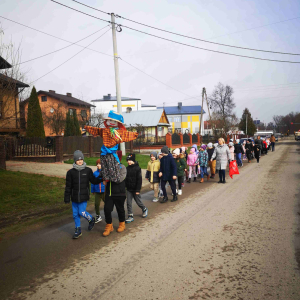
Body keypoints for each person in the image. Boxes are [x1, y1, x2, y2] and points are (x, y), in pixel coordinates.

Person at [84, 111, 138, 183]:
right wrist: (87, 128)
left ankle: (114, 178)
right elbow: (96, 130)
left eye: (114, 121)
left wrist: (134, 134)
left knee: (112, 165)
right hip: (104, 152)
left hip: (111, 153)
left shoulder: (118, 132)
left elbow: (126, 135)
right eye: (110, 120)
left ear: (118, 123)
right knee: (104, 165)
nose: (112, 122)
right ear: (107, 121)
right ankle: (105, 177)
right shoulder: (104, 130)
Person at [64, 150, 103, 239]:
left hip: (84, 195)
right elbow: (68, 186)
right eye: (78, 160)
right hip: (74, 197)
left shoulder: (88, 170)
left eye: (81, 159)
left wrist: (101, 178)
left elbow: (93, 180)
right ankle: (78, 229)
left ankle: (91, 219)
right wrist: (67, 197)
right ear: (75, 160)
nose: (80, 161)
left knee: (81, 212)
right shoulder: (70, 173)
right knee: (75, 214)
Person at [102, 164, 127, 237]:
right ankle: (109, 225)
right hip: (109, 193)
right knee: (107, 209)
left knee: (120, 209)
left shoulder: (122, 167)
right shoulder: (108, 166)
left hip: (120, 192)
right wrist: (104, 178)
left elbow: (119, 179)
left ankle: (122, 224)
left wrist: (108, 177)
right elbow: (103, 176)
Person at [125, 154, 148, 223]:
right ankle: (130, 216)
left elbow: (139, 180)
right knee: (128, 202)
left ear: (133, 161)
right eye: (128, 160)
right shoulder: (127, 168)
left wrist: (138, 190)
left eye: (130, 160)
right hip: (129, 189)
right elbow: (125, 179)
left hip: (135, 189)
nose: (129, 162)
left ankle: (144, 209)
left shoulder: (138, 168)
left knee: (138, 201)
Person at [91, 159, 106, 223]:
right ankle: (98, 216)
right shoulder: (95, 173)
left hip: (104, 191)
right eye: (97, 164)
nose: (98, 165)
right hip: (97, 192)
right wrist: (93, 190)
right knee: (96, 204)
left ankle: (107, 214)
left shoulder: (105, 172)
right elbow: (92, 182)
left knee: (107, 204)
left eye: (99, 164)